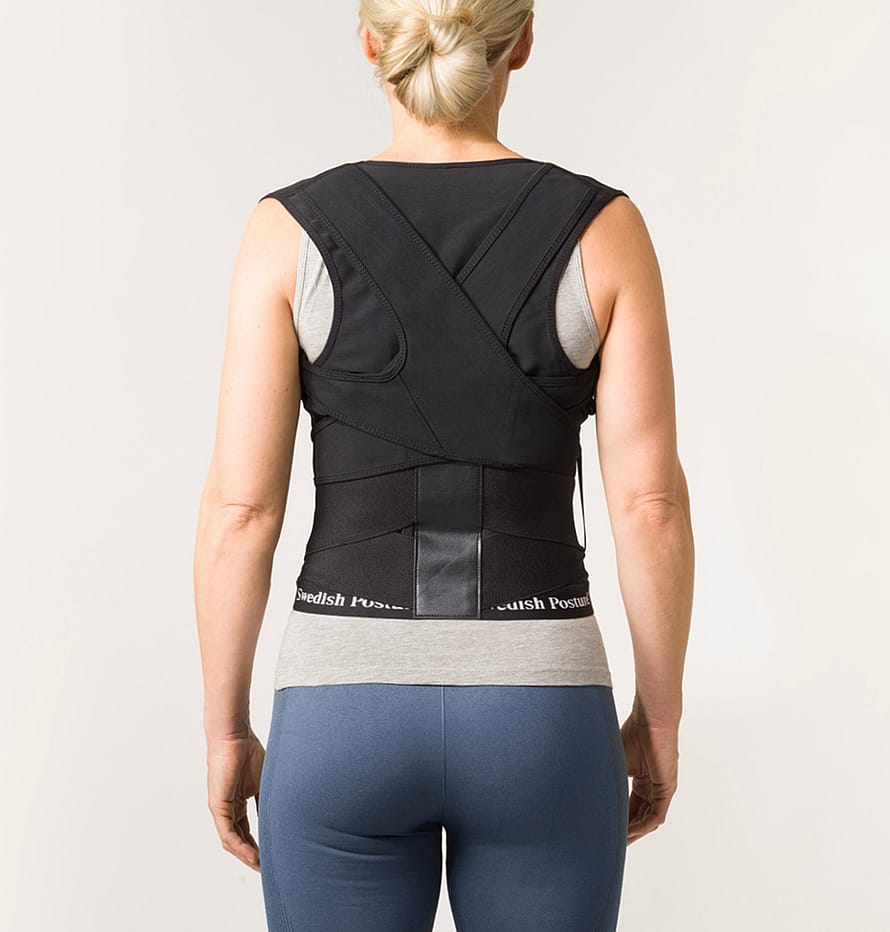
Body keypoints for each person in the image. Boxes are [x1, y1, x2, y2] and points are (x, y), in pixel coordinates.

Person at [194, 1, 694, 930]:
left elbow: (241, 512)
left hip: (341, 715)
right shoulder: (605, 230)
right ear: (523, 40)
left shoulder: (287, 232)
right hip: (540, 717)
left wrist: (227, 728)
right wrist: (658, 719)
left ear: (371, 43)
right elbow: (650, 504)